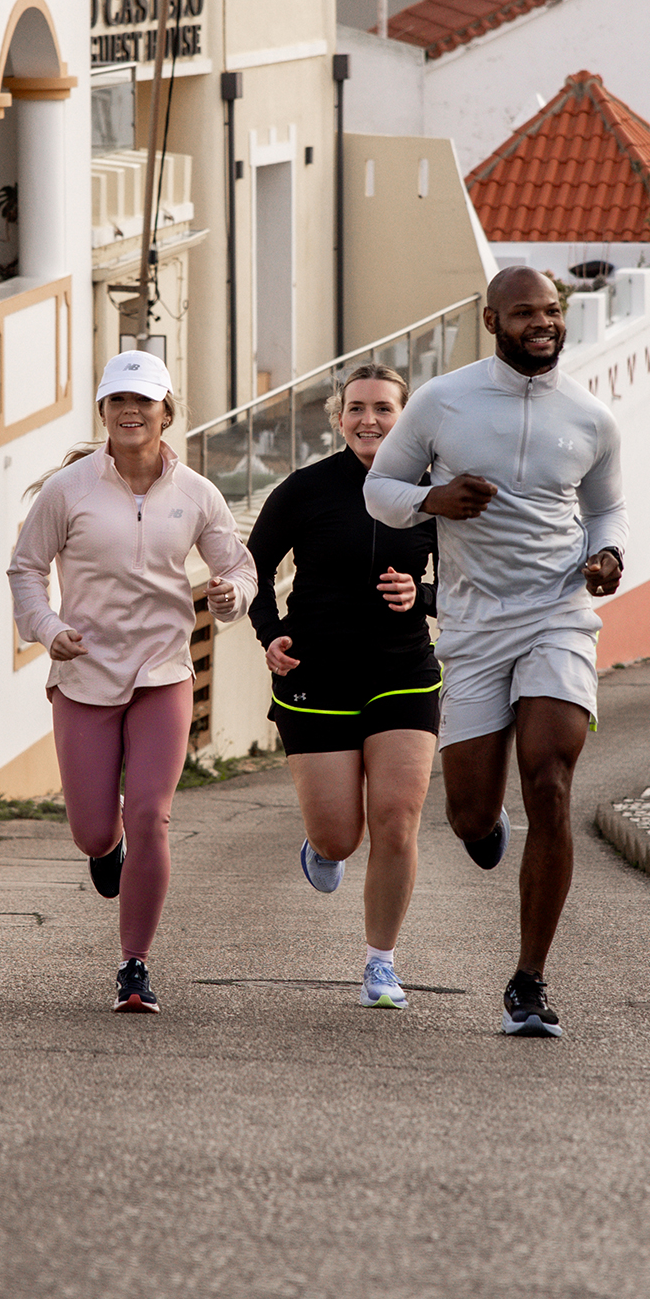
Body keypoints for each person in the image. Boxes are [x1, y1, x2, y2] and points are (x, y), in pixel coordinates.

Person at [365, 268, 626, 1040]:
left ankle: (529, 981)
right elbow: (381, 489)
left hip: (559, 612)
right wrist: (431, 501)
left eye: (552, 312)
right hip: (475, 626)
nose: (542, 324)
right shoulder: (442, 401)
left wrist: (608, 555)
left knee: (549, 779)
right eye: (524, 314)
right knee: (470, 813)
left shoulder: (590, 415)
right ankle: (487, 828)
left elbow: (606, 506)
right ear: (491, 320)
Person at [6, 351, 251, 1014]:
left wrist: (233, 597)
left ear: (167, 412)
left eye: (144, 402)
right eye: (119, 402)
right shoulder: (70, 490)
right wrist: (46, 625)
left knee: (151, 814)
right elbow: (25, 569)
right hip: (84, 671)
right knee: (94, 831)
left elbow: (240, 567)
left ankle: (134, 965)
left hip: (162, 672)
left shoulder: (197, 493)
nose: (132, 412)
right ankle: (104, 846)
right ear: (104, 413)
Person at [249, 364, 442, 1008]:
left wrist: (424, 593)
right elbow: (250, 565)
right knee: (342, 837)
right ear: (338, 418)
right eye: (356, 408)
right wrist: (269, 634)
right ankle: (322, 845)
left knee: (396, 820)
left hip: (402, 673)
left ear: (405, 416)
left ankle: (380, 962)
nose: (369, 420)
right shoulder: (306, 490)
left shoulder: (430, 491)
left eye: (384, 409)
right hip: (317, 676)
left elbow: (476, 576)